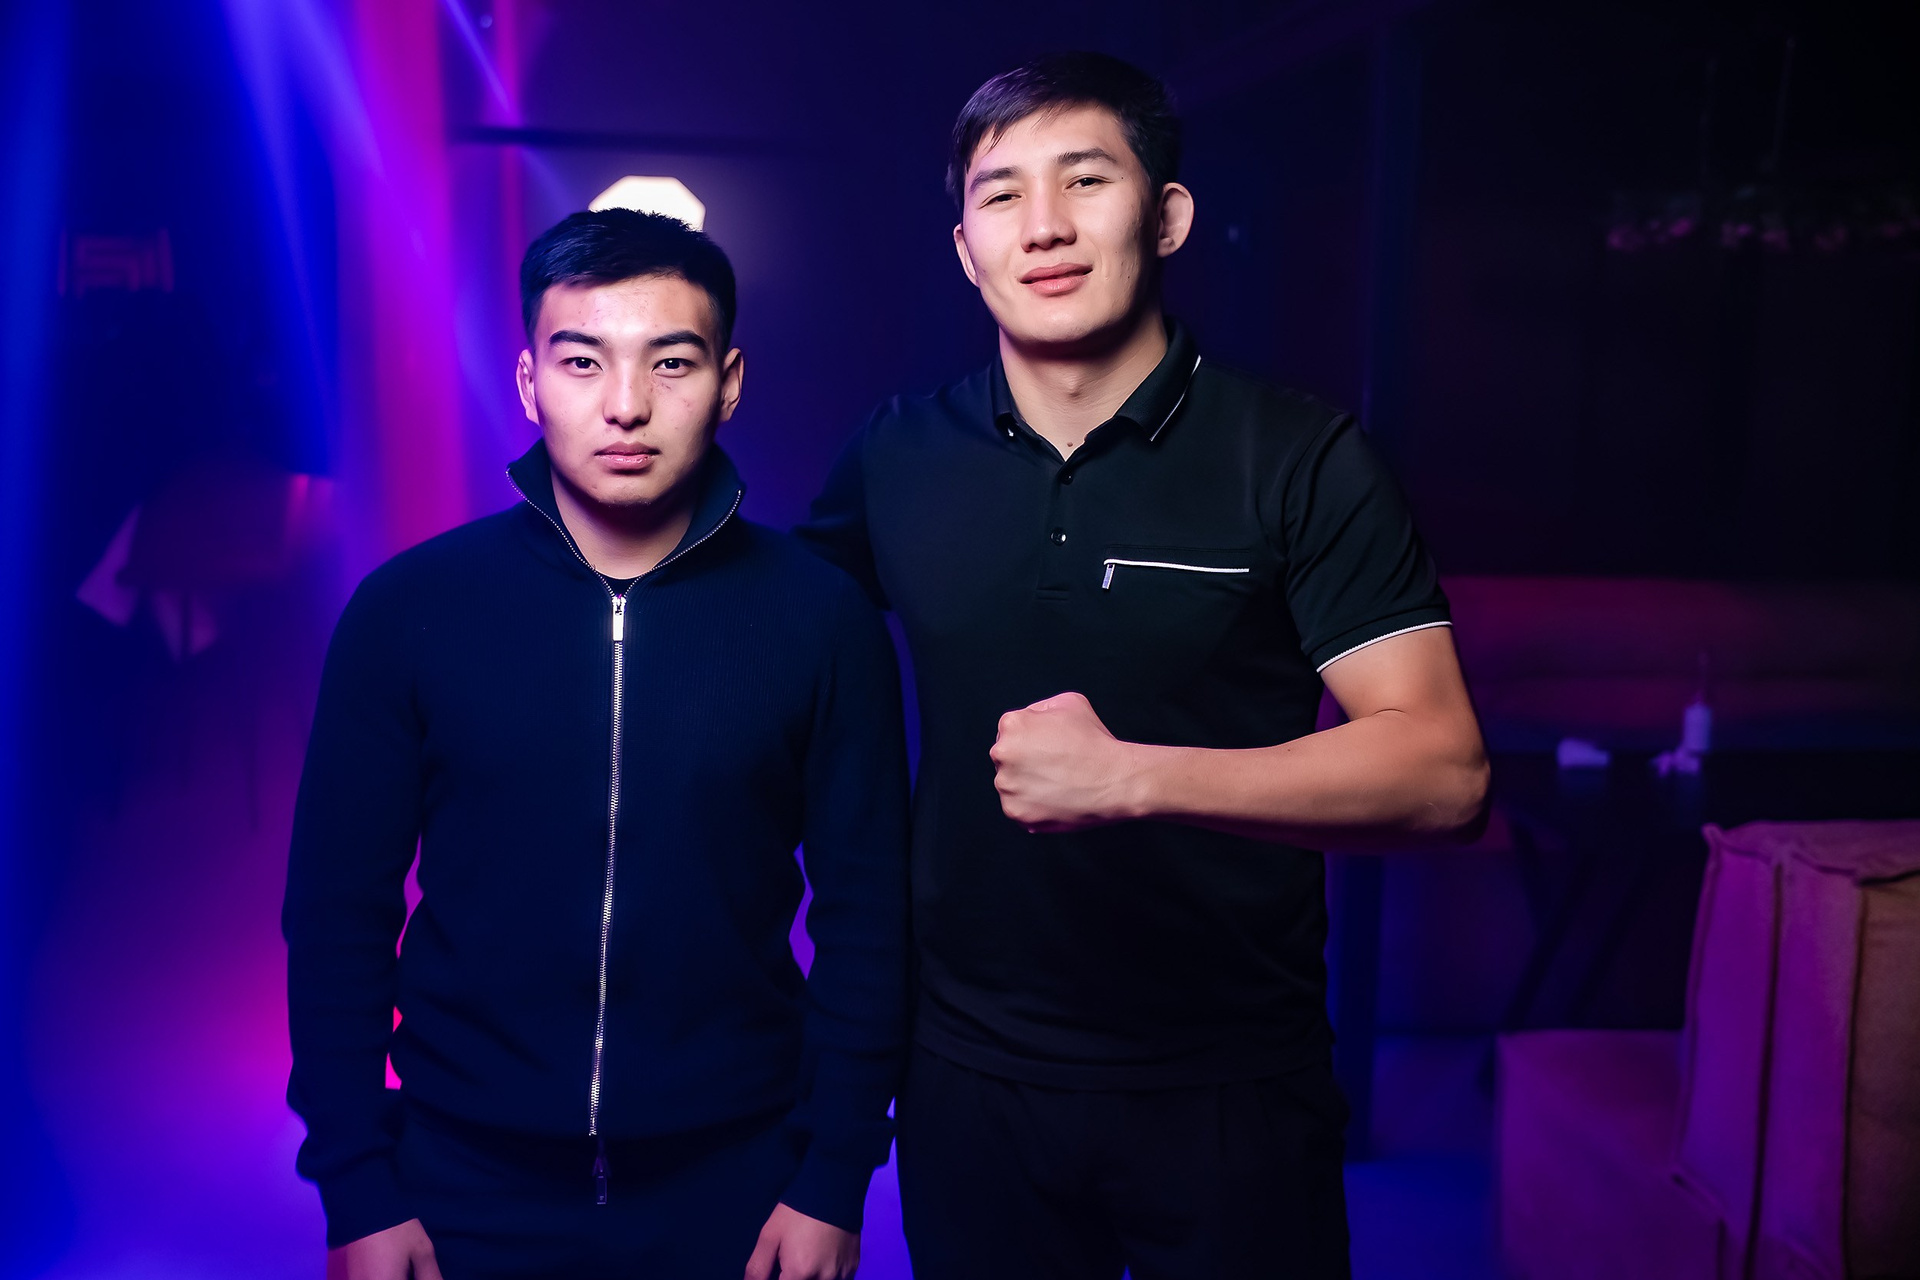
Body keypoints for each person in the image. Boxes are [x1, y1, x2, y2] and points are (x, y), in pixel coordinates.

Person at [798, 51, 1489, 1280]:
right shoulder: (896, 457)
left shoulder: (1300, 455)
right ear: (965, 248)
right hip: (969, 1080)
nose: (1044, 225)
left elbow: (1444, 771)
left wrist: (1132, 777)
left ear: (1166, 216)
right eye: (1002, 193)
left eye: (1085, 179)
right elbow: (760, 653)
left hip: (1230, 1080)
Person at [285, 209, 907, 1280]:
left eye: (672, 361)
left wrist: (832, 1175)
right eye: (582, 361)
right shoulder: (408, 611)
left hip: (739, 1180)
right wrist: (357, 1186)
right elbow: (340, 912)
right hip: (460, 1178)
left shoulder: (820, 618)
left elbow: (869, 918)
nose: (626, 404)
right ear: (530, 383)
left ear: (730, 382)